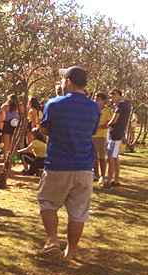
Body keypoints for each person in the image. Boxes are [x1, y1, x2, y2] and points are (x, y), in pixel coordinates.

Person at [38, 66, 100, 260]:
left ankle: (52, 239)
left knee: (47, 202)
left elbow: (45, 130)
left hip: (58, 163)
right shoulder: (93, 108)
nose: (62, 82)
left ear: (69, 81)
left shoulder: (54, 104)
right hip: (84, 166)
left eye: (64, 79)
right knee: (78, 212)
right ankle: (71, 251)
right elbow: (90, 132)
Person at [104, 89, 132, 188]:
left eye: (114, 96)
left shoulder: (121, 105)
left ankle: (109, 180)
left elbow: (114, 120)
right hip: (118, 134)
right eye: (111, 97)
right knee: (115, 158)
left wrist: (106, 124)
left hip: (115, 135)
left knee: (110, 158)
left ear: (120, 95)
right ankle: (116, 180)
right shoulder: (126, 105)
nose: (112, 98)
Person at [92, 93, 112, 184]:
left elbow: (108, 124)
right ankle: (95, 174)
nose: (96, 101)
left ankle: (103, 176)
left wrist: (97, 127)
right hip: (92, 136)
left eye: (98, 99)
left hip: (101, 137)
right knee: (93, 157)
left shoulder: (108, 110)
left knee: (101, 157)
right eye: (95, 99)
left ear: (104, 101)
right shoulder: (92, 109)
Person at [0, 94, 21, 159]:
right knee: (13, 143)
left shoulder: (5, 106)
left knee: (6, 143)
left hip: (7, 124)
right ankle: (13, 158)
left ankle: (6, 158)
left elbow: (1, 115)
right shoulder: (18, 106)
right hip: (15, 124)